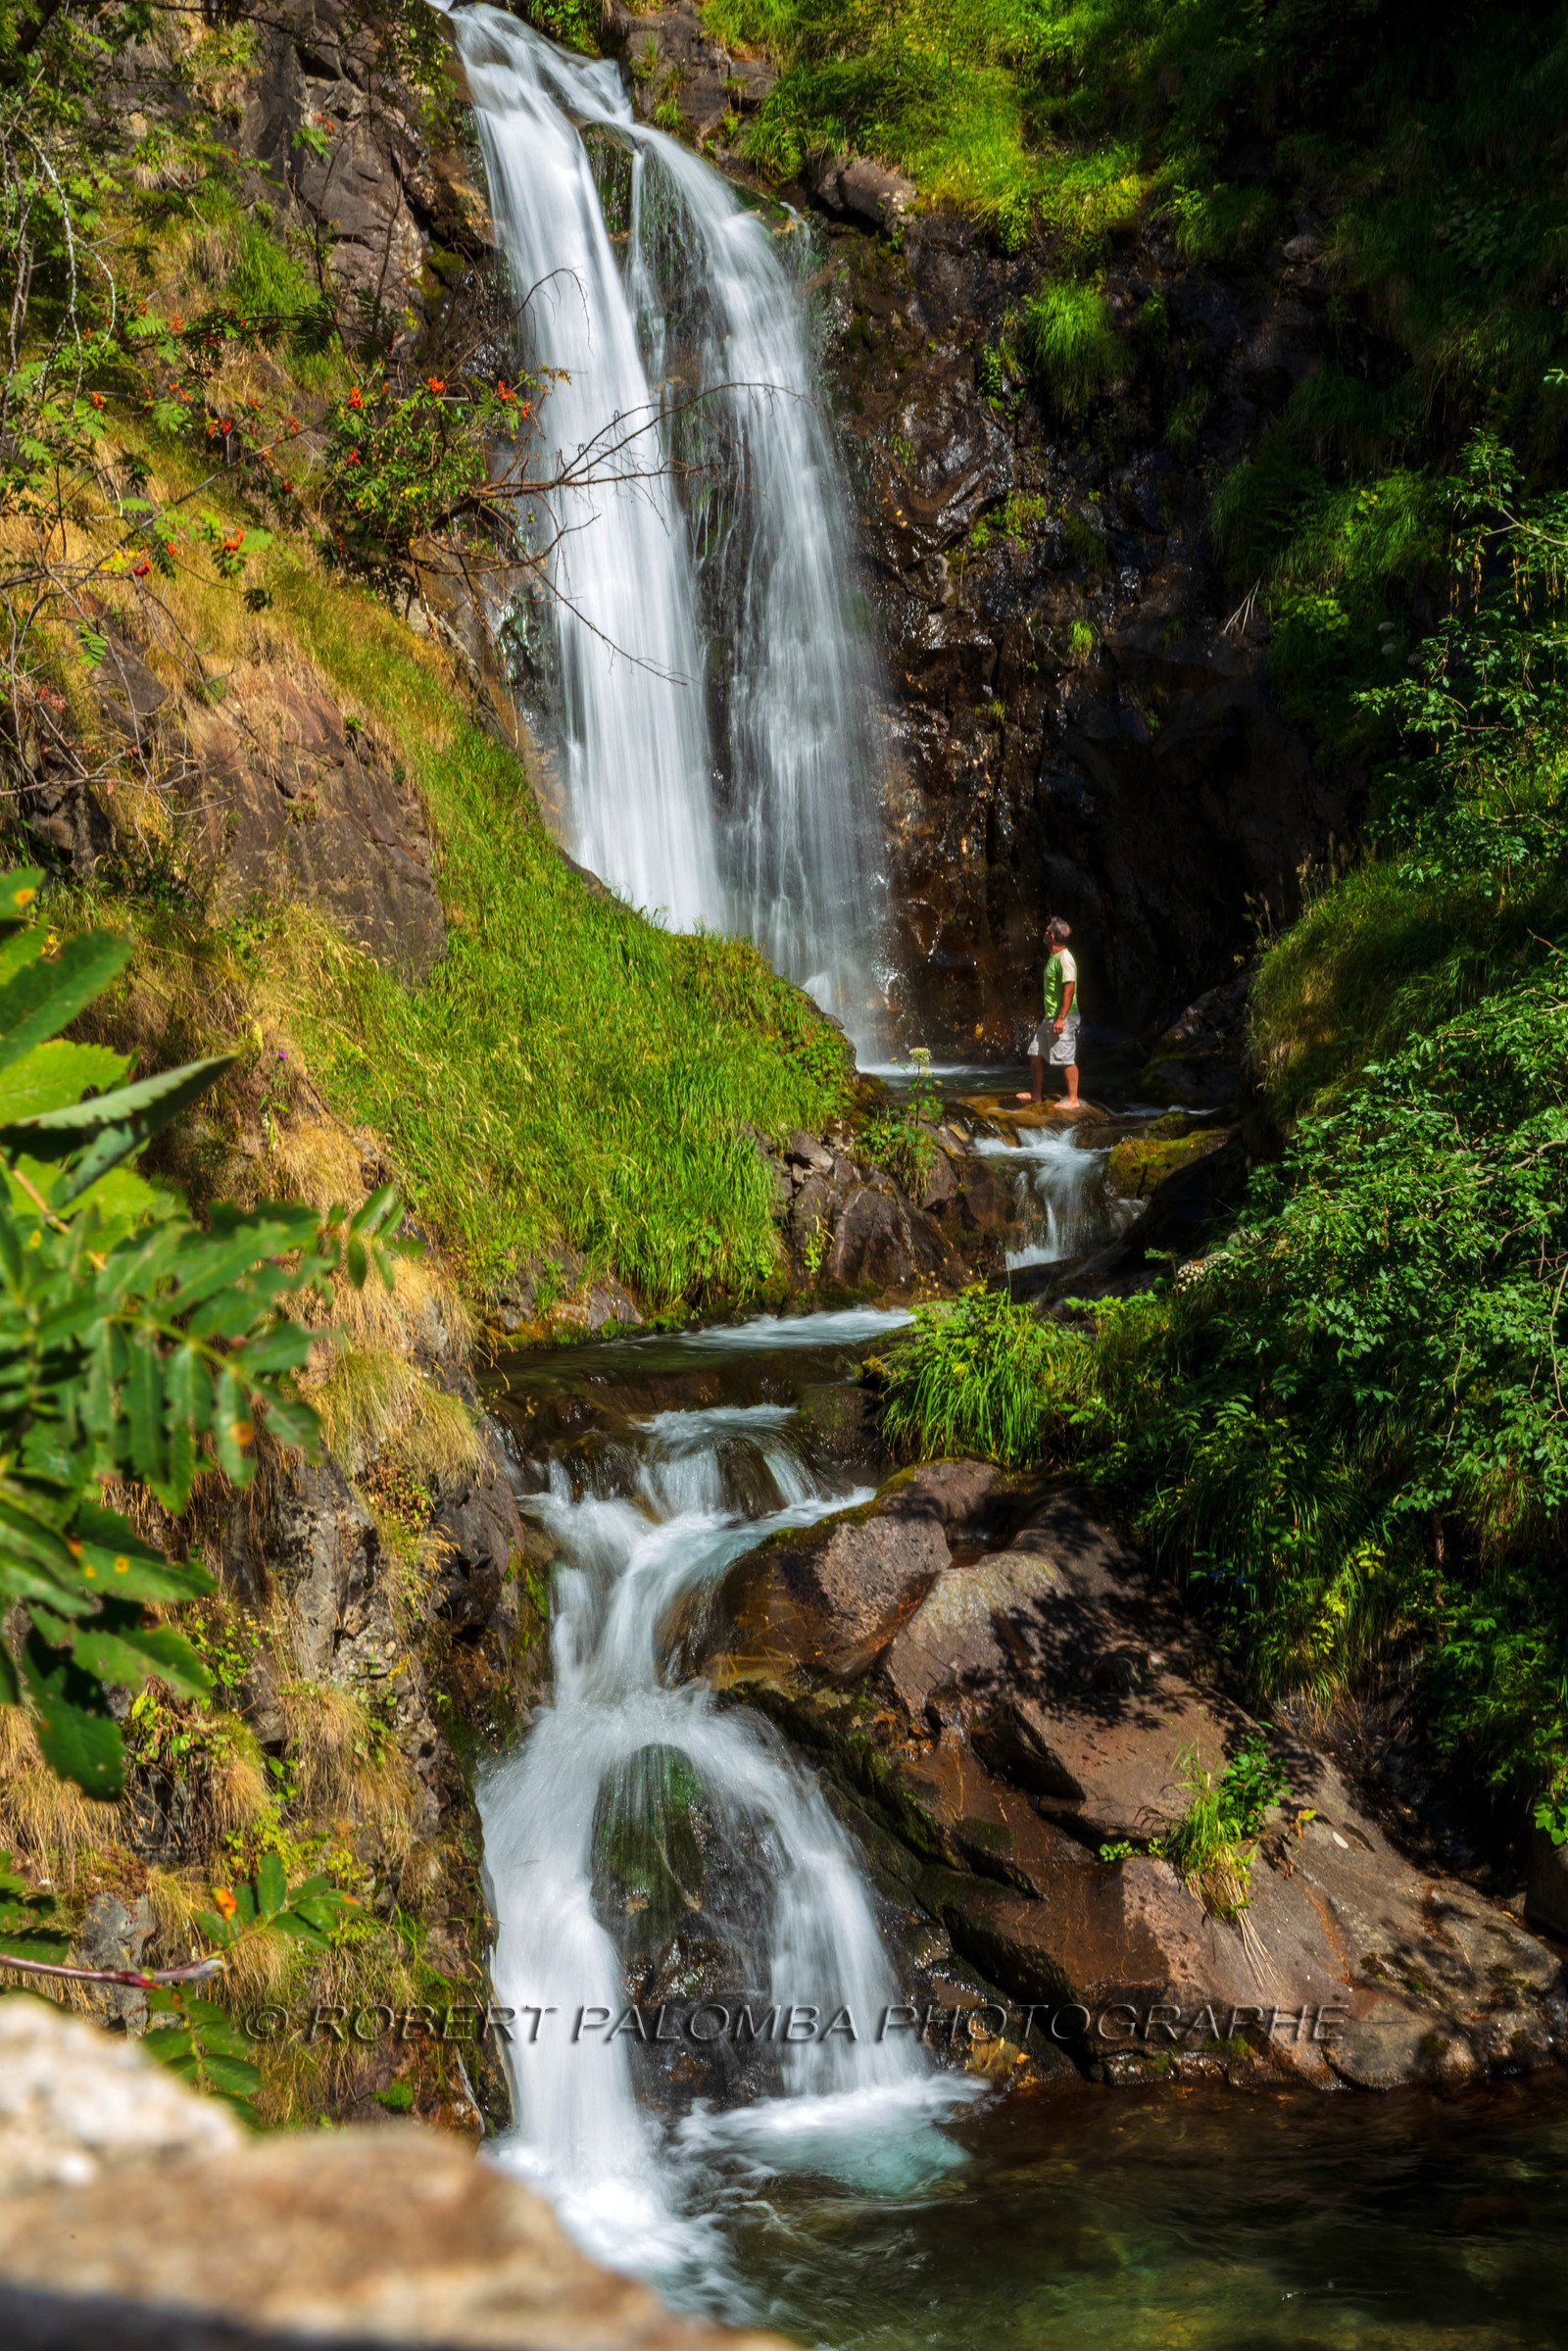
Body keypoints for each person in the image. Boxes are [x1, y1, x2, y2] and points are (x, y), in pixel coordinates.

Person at [1017, 917, 1082, 1111]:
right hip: (1050, 1016)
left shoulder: (1065, 959)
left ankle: (1073, 1099)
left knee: (1066, 1059)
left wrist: (1061, 1018)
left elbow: (1069, 990)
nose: (1044, 932)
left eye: (1046, 931)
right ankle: (1036, 1095)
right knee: (1035, 1053)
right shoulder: (1055, 957)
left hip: (1064, 1017)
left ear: (1052, 937)